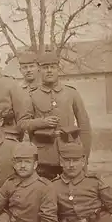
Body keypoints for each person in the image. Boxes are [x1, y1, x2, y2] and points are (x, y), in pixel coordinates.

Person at [23, 52, 92, 180]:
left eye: (52, 67)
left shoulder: (71, 93)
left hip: (69, 152)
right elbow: (23, 124)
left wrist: (84, 156)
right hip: (43, 156)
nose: (49, 71)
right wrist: (42, 122)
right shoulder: (31, 95)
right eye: (45, 67)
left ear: (58, 69)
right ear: (39, 70)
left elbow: (84, 125)